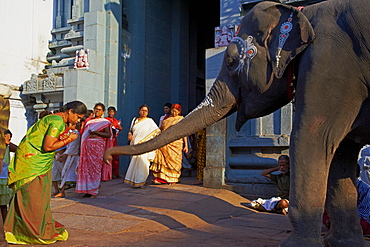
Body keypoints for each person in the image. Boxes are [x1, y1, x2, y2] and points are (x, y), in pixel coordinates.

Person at [4, 101, 87, 245]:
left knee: (31, 197)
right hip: (34, 164)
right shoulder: (57, 122)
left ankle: (18, 230)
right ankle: (31, 232)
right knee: (35, 199)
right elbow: (48, 146)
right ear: (70, 111)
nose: (78, 121)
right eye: (78, 117)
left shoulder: (51, 118)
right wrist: (69, 139)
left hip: (32, 161)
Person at [76, 103, 112, 198]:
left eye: (99, 109)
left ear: (103, 112)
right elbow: (84, 135)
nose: (97, 111)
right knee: (87, 169)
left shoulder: (105, 122)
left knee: (95, 169)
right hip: (87, 147)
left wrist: (97, 133)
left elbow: (108, 135)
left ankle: (94, 190)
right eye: (96, 109)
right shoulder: (89, 122)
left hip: (97, 147)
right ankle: (87, 190)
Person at [150, 103, 188, 185]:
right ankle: (160, 178)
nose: (174, 113)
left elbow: (184, 133)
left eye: (176, 111)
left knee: (175, 161)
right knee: (162, 159)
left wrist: (186, 145)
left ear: (179, 112)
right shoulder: (166, 120)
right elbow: (161, 130)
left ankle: (173, 179)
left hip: (176, 143)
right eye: (172, 111)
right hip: (165, 143)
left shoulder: (181, 119)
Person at [124, 105, 160, 188]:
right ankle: (133, 181)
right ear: (139, 111)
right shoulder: (134, 120)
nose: (144, 112)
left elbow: (156, 132)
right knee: (134, 162)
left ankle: (141, 181)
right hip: (135, 144)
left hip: (144, 146)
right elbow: (131, 130)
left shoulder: (150, 121)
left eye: (146, 111)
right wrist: (129, 134)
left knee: (143, 163)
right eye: (142, 110)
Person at [52, 122, 82, 198]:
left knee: (65, 173)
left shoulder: (76, 134)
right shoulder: (68, 133)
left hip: (72, 156)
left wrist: (64, 155)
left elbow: (73, 147)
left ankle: (62, 191)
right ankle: (58, 190)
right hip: (64, 155)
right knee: (57, 173)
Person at [0, 130, 17, 223]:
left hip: (4, 178)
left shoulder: (8, 147)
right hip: (2, 177)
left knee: (5, 204)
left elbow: (18, 149)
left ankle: (6, 224)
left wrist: (8, 143)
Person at [105, 106, 123, 179]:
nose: (110, 113)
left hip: (114, 140)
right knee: (108, 157)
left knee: (116, 157)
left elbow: (119, 130)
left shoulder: (116, 121)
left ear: (114, 113)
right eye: (109, 111)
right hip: (107, 140)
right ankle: (109, 174)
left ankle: (116, 173)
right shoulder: (105, 120)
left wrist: (120, 128)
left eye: (112, 112)